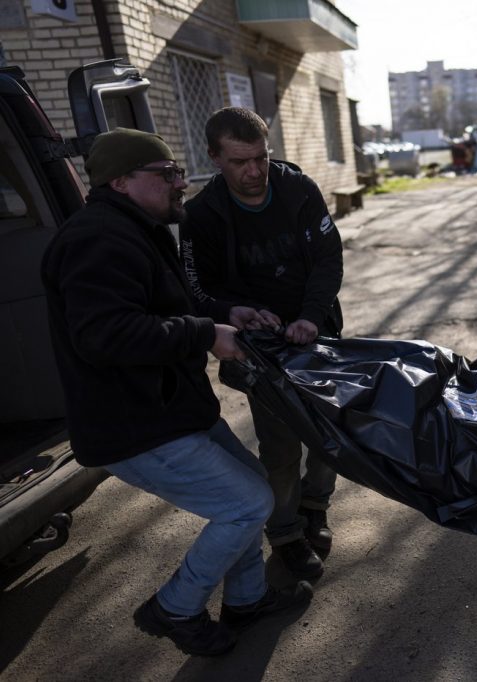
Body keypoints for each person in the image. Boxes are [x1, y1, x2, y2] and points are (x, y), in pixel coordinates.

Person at [41, 128, 312, 657]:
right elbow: (105, 335)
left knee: (251, 488)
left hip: (171, 408)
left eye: (178, 172)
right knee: (248, 503)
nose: (179, 183)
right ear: (120, 181)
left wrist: (222, 313)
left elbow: (166, 303)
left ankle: (247, 600)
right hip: (134, 426)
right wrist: (208, 335)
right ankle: (176, 607)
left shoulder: (133, 227)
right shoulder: (96, 239)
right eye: (165, 174)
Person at [180, 107, 344, 581]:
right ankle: (287, 533)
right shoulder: (201, 215)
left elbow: (327, 259)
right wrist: (237, 312)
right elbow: (196, 289)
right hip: (260, 347)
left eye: (261, 158)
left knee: (330, 435)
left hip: (318, 332)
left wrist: (312, 317)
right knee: (280, 446)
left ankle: (316, 507)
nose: (254, 171)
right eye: (239, 161)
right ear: (214, 157)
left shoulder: (298, 190)